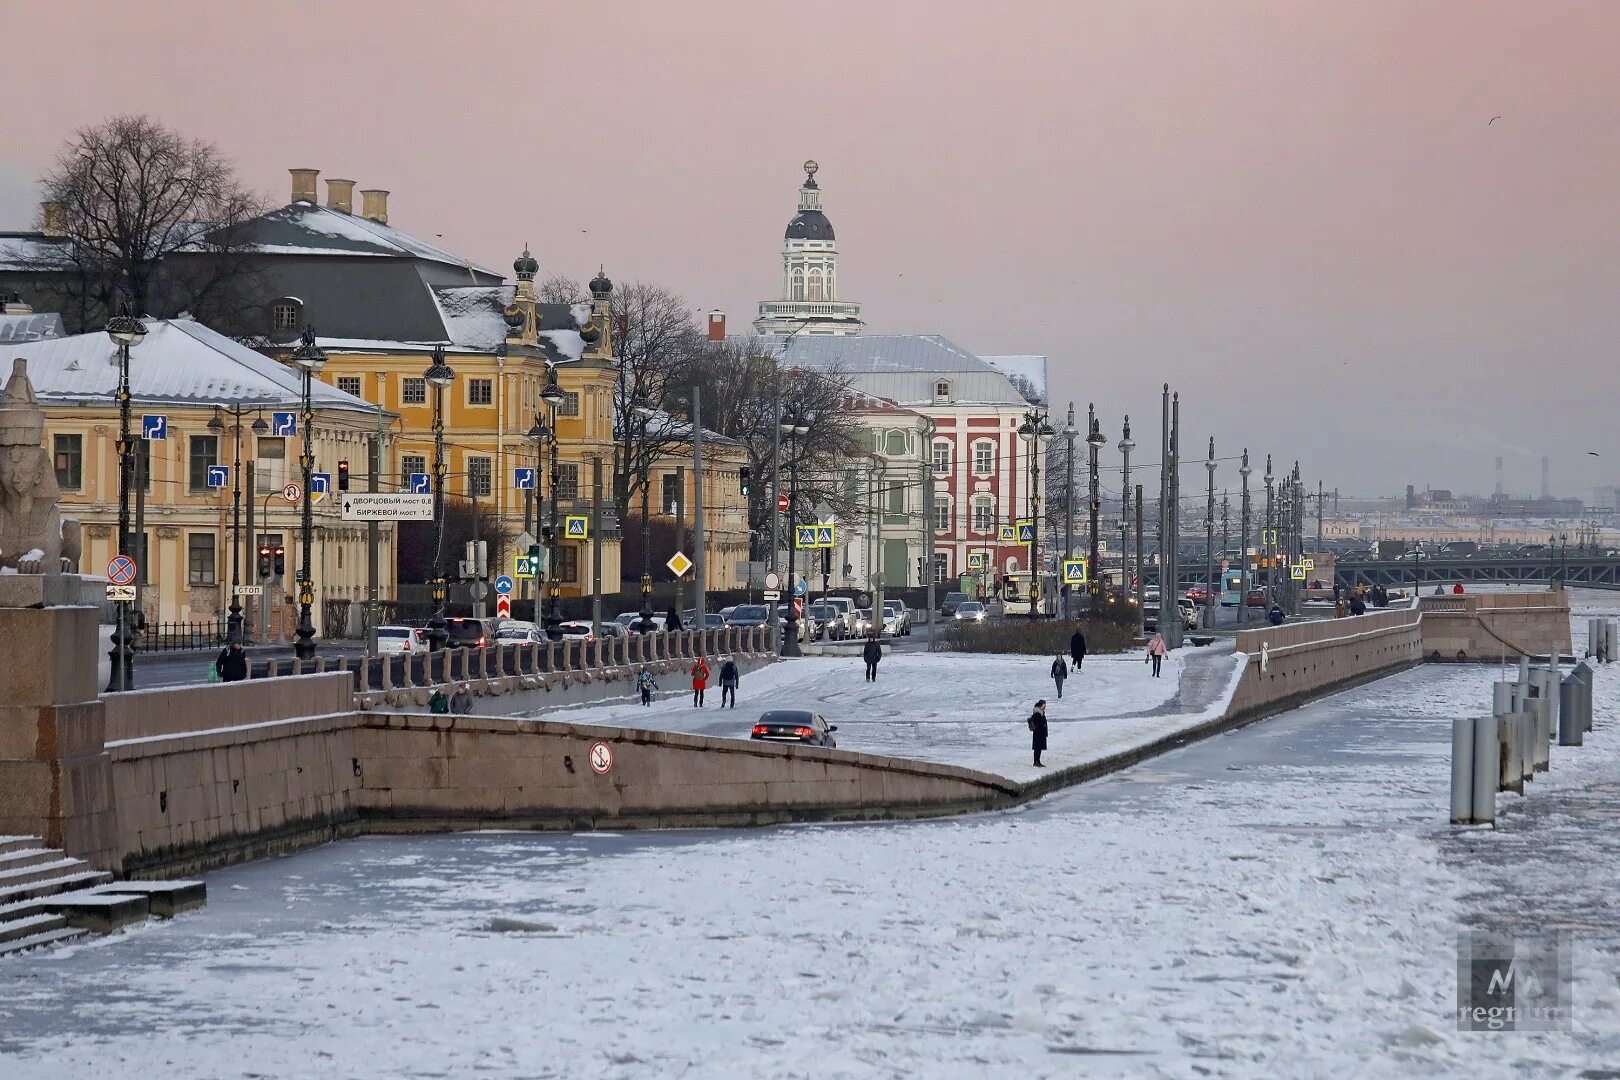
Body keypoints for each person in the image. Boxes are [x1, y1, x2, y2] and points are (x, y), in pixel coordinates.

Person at [1028, 699, 1049, 767]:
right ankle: (1036, 762)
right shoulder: (1038, 713)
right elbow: (1039, 724)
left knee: (1038, 748)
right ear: (1041, 705)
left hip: (1039, 734)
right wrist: (1043, 727)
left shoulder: (1040, 712)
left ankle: (1037, 761)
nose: (1045, 706)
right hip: (1038, 734)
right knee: (1037, 748)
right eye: (1044, 704)